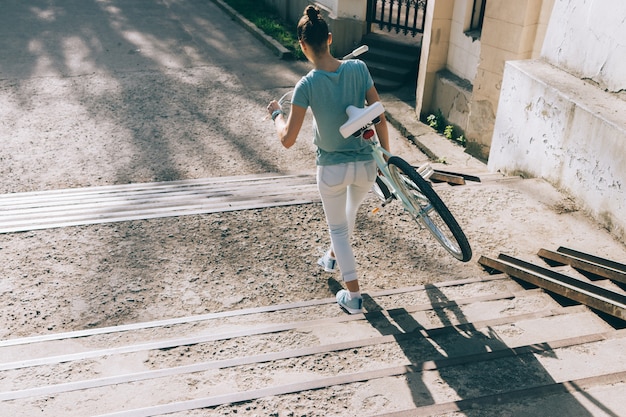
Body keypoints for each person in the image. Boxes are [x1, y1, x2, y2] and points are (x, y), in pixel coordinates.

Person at [267, 5, 390, 314]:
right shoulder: (358, 69)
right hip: (365, 165)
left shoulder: (305, 86)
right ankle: (331, 257)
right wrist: (385, 160)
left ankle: (353, 298)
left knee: (339, 228)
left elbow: (287, 139)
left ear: (303, 45)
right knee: (348, 214)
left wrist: (276, 115)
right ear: (330, 38)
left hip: (331, 169)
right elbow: (380, 118)